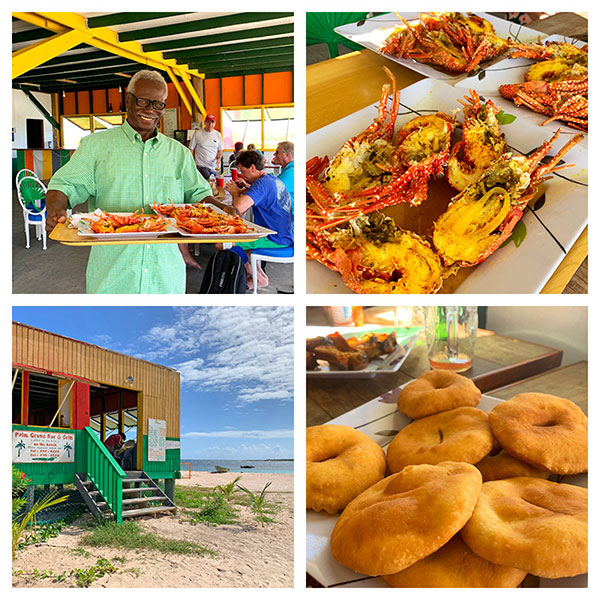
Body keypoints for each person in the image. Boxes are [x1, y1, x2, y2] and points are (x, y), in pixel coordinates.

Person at [45, 70, 231, 293]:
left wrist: (222, 209)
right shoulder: (95, 146)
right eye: (142, 101)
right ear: (128, 99)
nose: (150, 110)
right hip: (111, 277)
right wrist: (56, 208)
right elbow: (65, 185)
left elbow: (198, 193)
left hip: (166, 277)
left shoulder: (178, 153)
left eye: (158, 104)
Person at [224, 150, 293, 289]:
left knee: (224, 243)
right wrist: (247, 187)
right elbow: (264, 194)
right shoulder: (272, 179)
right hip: (287, 233)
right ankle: (257, 276)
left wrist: (235, 192)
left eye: (243, 171)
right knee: (245, 244)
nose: (242, 175)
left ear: (253, 168)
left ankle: (259, 278)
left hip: (275, 238)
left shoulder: (261, 185)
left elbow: (238, 208)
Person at [189, 114, 223, 180]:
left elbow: (220, 150)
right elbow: (191, 149)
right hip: (200, 165)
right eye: (208, 122)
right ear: (205, 123)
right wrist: (192, 163)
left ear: (215, 123)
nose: (210, 124)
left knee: (213, 185)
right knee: (206, 183)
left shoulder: (218, 134)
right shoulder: (198, 133)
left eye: (212, 122)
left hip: (213, 167)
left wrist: (219, 158)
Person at [272, 141, 294, 208]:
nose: (274, 155)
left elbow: (271, 191)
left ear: (287, 155)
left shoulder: (291, 172)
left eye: (277, 152)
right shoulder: (287, 169)